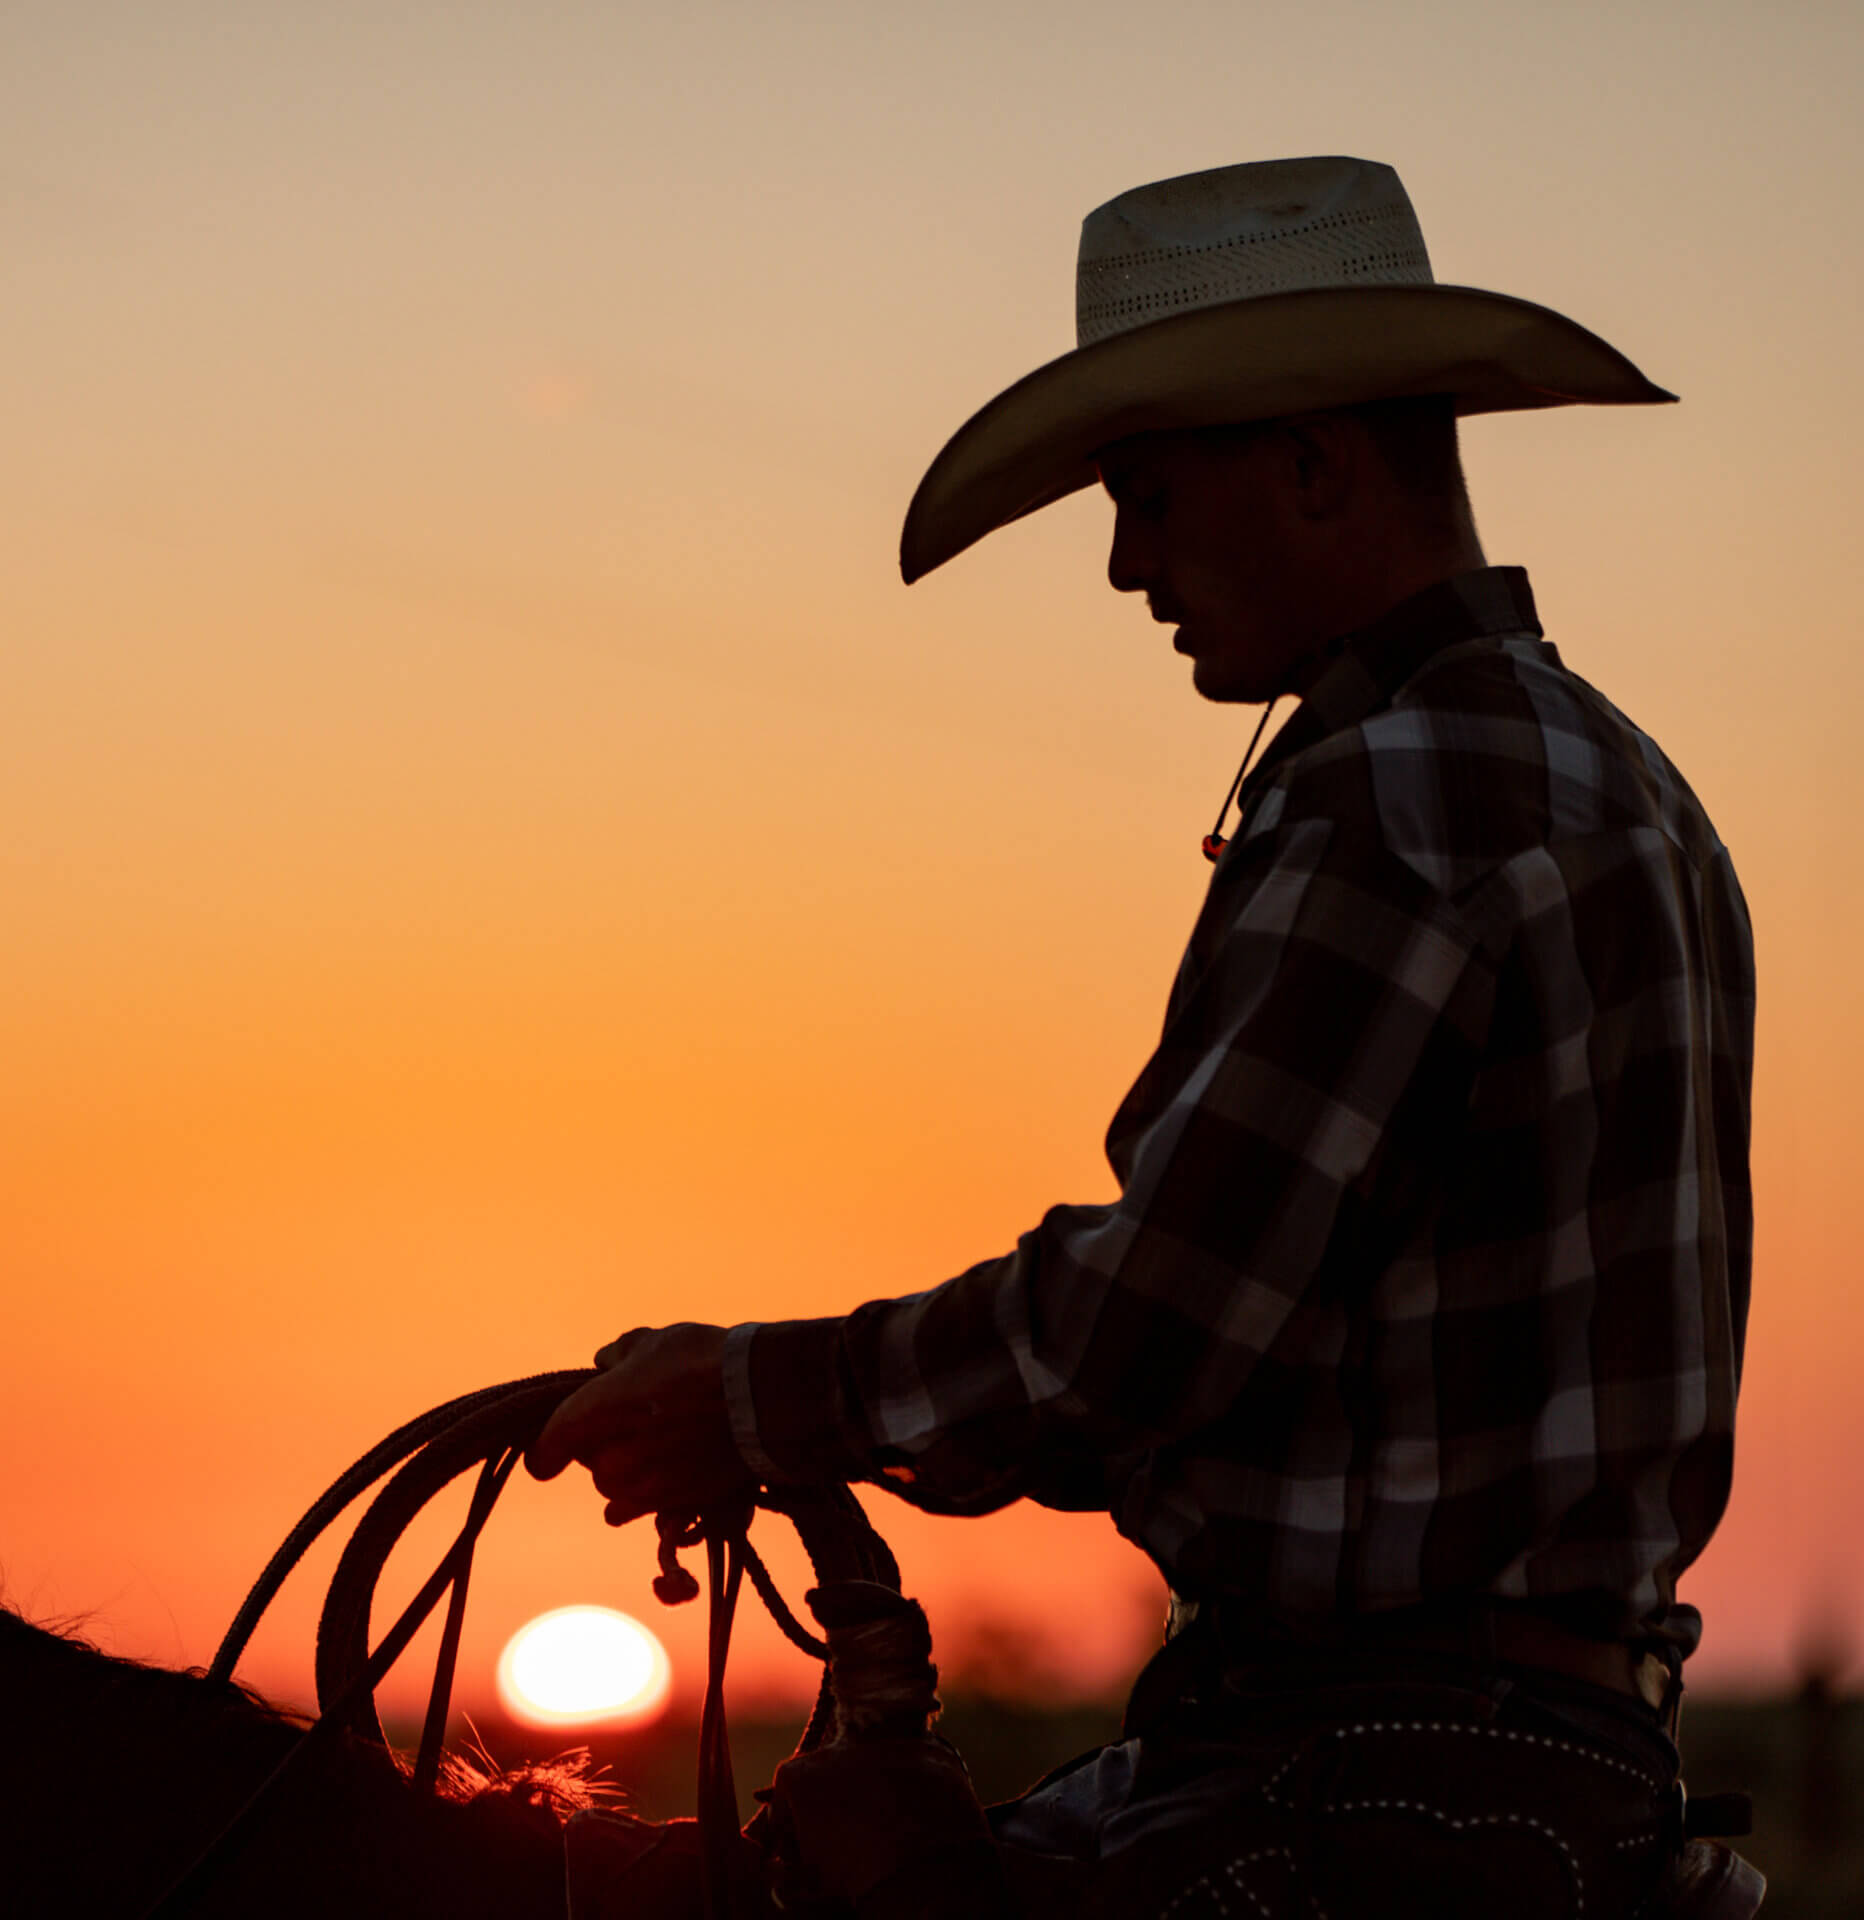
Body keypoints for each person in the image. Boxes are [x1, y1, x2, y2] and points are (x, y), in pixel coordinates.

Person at [526, 156, 1758, 1917]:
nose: (1125, 566)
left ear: (1318, 468)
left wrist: (751, 1397)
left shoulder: (1397, 794)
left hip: (1359, 1780)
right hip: (1532, 1766)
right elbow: (1285, 1351)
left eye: (1152, 500)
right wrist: (909, 1424)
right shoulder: (1620, 781)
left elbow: (1157, 1327)